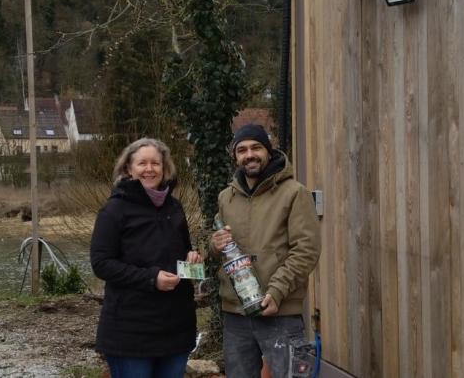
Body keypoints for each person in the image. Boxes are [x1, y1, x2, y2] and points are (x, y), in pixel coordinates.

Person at [211, 124, 320, 378]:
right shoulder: (226, 197)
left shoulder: (295, 193)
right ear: (235, 157)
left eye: (256, 147)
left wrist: (277, 291)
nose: (249, 154)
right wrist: (213, 244)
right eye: (242, 150)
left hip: (280, 313)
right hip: (236, 314)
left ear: (268, 152)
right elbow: (218, 245)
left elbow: (306, 250)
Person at [91, 138, 202, 378]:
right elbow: (101, 263)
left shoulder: (174, 207)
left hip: (176, 327)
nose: (149, 169)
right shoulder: (114, 210)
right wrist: (151, 278)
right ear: (128, 169)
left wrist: (192, 261)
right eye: (142, 163)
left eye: (156, 163)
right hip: (130, 331)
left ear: (165, 168)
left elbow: (183, 254)